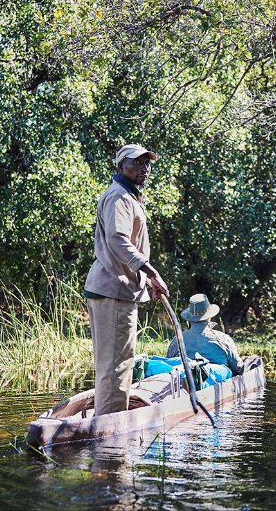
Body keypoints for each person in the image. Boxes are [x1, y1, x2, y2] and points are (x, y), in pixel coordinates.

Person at [84, 144, 170, 415]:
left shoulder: (128, 196)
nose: (144, 167)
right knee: (117, 364)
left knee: (113, 363)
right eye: (137, 162)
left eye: (148, 163)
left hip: (116, 289)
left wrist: (145, 281)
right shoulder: (120, 197)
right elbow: (118, 240)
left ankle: (106, 421)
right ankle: (109, 430)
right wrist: (151, 272)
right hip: (114, 289)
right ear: (121, 166)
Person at [167, 294, 244, 376]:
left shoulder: (177, 339)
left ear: (190, 318)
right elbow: (238, 369)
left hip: (182, 381)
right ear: (209, 317)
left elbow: (168, 363)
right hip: (215, 381)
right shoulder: (223, 339)